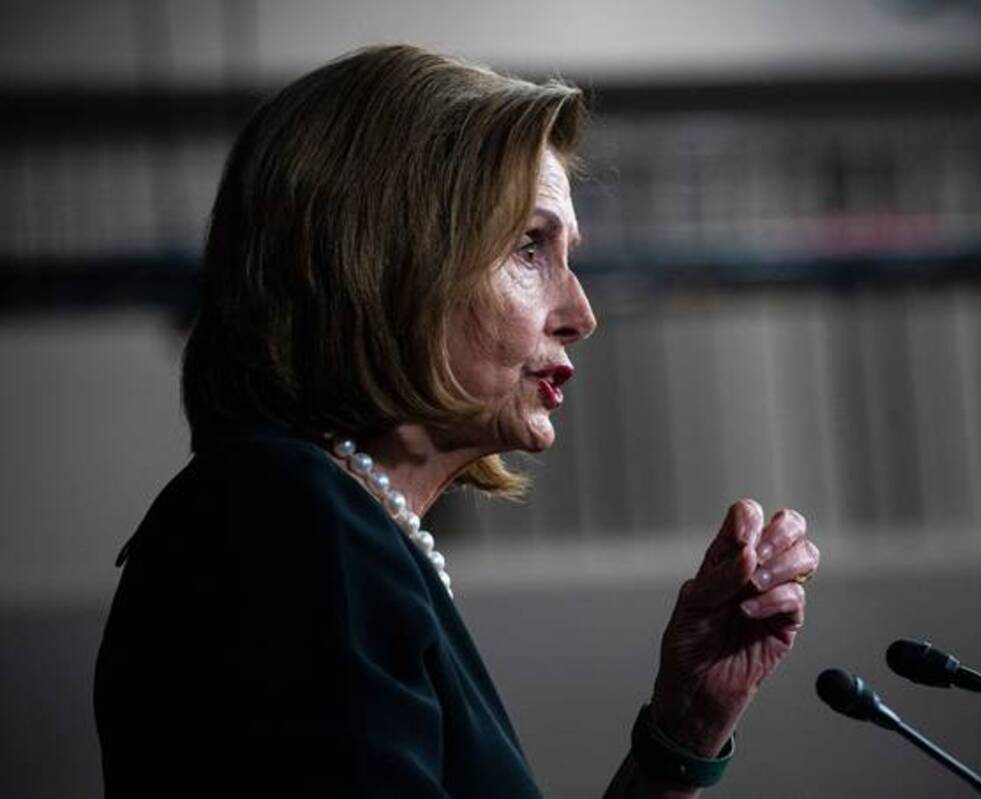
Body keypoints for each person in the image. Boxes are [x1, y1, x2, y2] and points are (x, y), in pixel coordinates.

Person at [93, 44, 820, 798]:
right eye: (528, 247)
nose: (581, 314)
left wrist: (685, 728)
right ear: (387, 260)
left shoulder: (330, 523)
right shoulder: (285, 515)